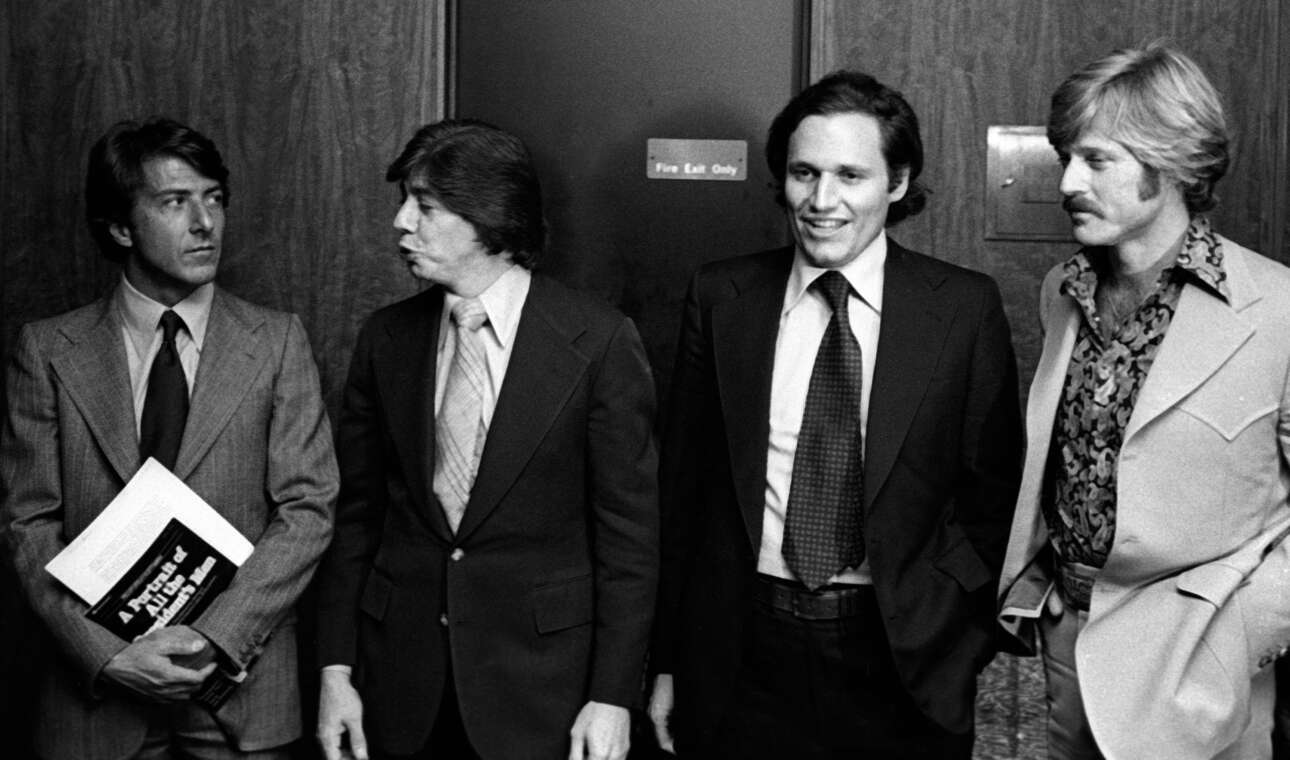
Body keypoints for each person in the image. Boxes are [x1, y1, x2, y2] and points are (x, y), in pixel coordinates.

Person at [647, 70, 1023, 758]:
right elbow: (683, 491)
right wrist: (668, 659)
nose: (822, 201)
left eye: (850, 175)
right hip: (740, 650)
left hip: (903, 657)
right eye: (804, 174)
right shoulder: (722, 296)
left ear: (897, 183)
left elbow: (993, 498)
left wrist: (956, 636)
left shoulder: (962, 309)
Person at [313, 119, 658, 760]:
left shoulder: (600, 341)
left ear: (489, 217)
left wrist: (613, 697)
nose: (400, 223)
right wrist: (336, 670)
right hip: (398, 688)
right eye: (405, 202)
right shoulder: (386, 338)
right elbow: (355, 519)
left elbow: (629, 543)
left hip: (541, 694)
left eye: (425, 206)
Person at [0, 117, 338, 759]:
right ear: (121, 227)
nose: (205, 222)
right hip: (95, 707)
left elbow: (307, 510)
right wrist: (108, 654)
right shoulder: (47, 349)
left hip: (240, 697)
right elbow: (27, 525)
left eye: (214, 198)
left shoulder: (278, 341)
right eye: (175, 202)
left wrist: (214, 638)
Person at [997, 42, 1290, 760]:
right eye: (1066, 157)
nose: (1068, 182)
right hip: (1071, 640)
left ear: (1175, 163)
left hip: (1202, 660)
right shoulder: (1061, 290)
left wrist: (1247, 630)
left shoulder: (1279, 309)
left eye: (1097, 160)